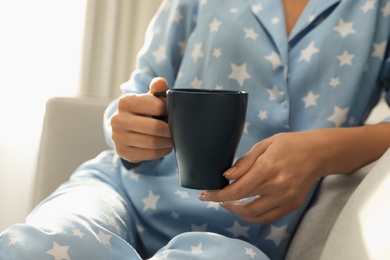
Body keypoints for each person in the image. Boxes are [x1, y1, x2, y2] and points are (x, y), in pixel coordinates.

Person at [1, 0, 390, 259]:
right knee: (35, 247)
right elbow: (138, 90)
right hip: (122, 195)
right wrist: (127, 128)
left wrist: (320, 151)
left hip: (244, 235)